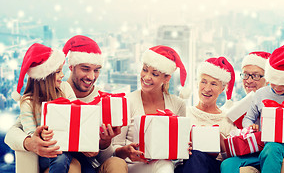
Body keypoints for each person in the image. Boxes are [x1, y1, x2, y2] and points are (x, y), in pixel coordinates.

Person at [5, 35, 128, 173]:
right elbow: (12, 133)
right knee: (69, 164)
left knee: (112, 164)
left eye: (96, 70)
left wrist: (101, 144)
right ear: (71, 67)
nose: (92, 77)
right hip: (57, 157)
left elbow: (104, 155)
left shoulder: (101, 101)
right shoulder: (34, 100)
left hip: (84, 159)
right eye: (85, 69)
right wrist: (31, 141)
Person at [221, 44, 284, 173]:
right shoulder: (261, 94)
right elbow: (247, 119)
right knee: (227, 164)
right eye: (273, 81)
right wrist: (250, 127)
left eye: (283, 84)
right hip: (262, 147)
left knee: (273, 148)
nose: (278, 87)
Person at [112, 45, 187, 173]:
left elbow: (180, 154)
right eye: (145, 70)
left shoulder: (178, 104)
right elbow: (114, 148)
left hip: (164, 166)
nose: (146, 77)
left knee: (165, 165)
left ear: (167, 78)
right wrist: (126, 151)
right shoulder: (127, 102)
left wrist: (184, 147)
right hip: (132, 166)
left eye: (155, 74)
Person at [15, 43, 77, 173]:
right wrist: (40, 135)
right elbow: (31, 133)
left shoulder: (64, 89)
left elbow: (77, 115)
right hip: (47, 151)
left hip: (69, 145)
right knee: (60, 158)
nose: (62, 75)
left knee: (85, 166)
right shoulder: (28, 102)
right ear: (45, 76)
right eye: (58, 72)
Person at [175, 56, 237, 173]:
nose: (207, 88)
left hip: (213, 167)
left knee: (197, 156)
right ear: (197, 84)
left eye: (214, 84)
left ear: (222, 88)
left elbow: (231, 161)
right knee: (195, 156)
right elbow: (173, 156)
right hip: (186, 165)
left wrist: (219, 139)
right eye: (203, 82)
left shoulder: (227, 120)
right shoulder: (184, 113)